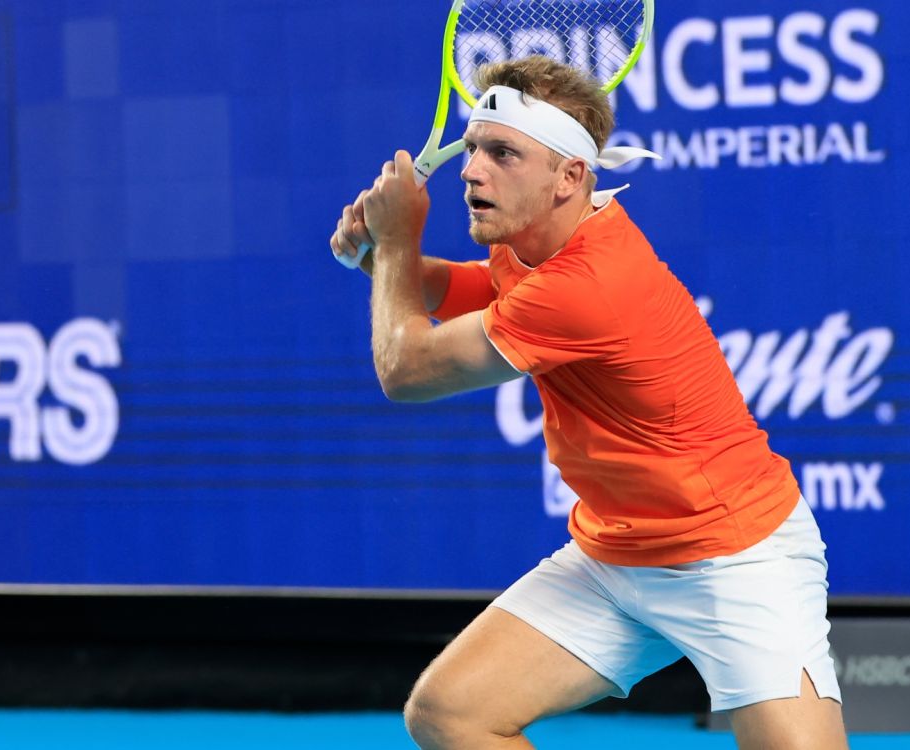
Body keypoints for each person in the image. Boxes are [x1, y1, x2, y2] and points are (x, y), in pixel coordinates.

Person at [329, 57, 848, 750]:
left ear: (569, 176)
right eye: (474, 147)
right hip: (616, 554)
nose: (471, 170)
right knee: (450, 714)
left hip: (734, 554)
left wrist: (396, 243)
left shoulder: (591, 283)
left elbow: (406, 370)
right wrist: (378, 259)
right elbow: (471, 289)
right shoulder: (537, 238)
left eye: (503, 153)